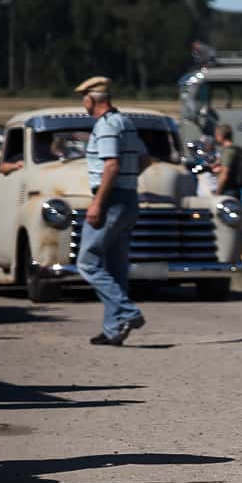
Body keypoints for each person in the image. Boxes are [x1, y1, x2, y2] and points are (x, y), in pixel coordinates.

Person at [74, 77, 147, 346]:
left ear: (93, 100)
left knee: (87, 262)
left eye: (84, 98)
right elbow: (144, 158)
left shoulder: (105, 126)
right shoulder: (126, 122)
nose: (83, 103)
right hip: (128, 198)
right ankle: (113, 329)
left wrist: (99, 203)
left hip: (110, 199)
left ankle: (128, 312)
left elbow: (111, 166)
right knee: (116, 267)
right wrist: (129, 181)